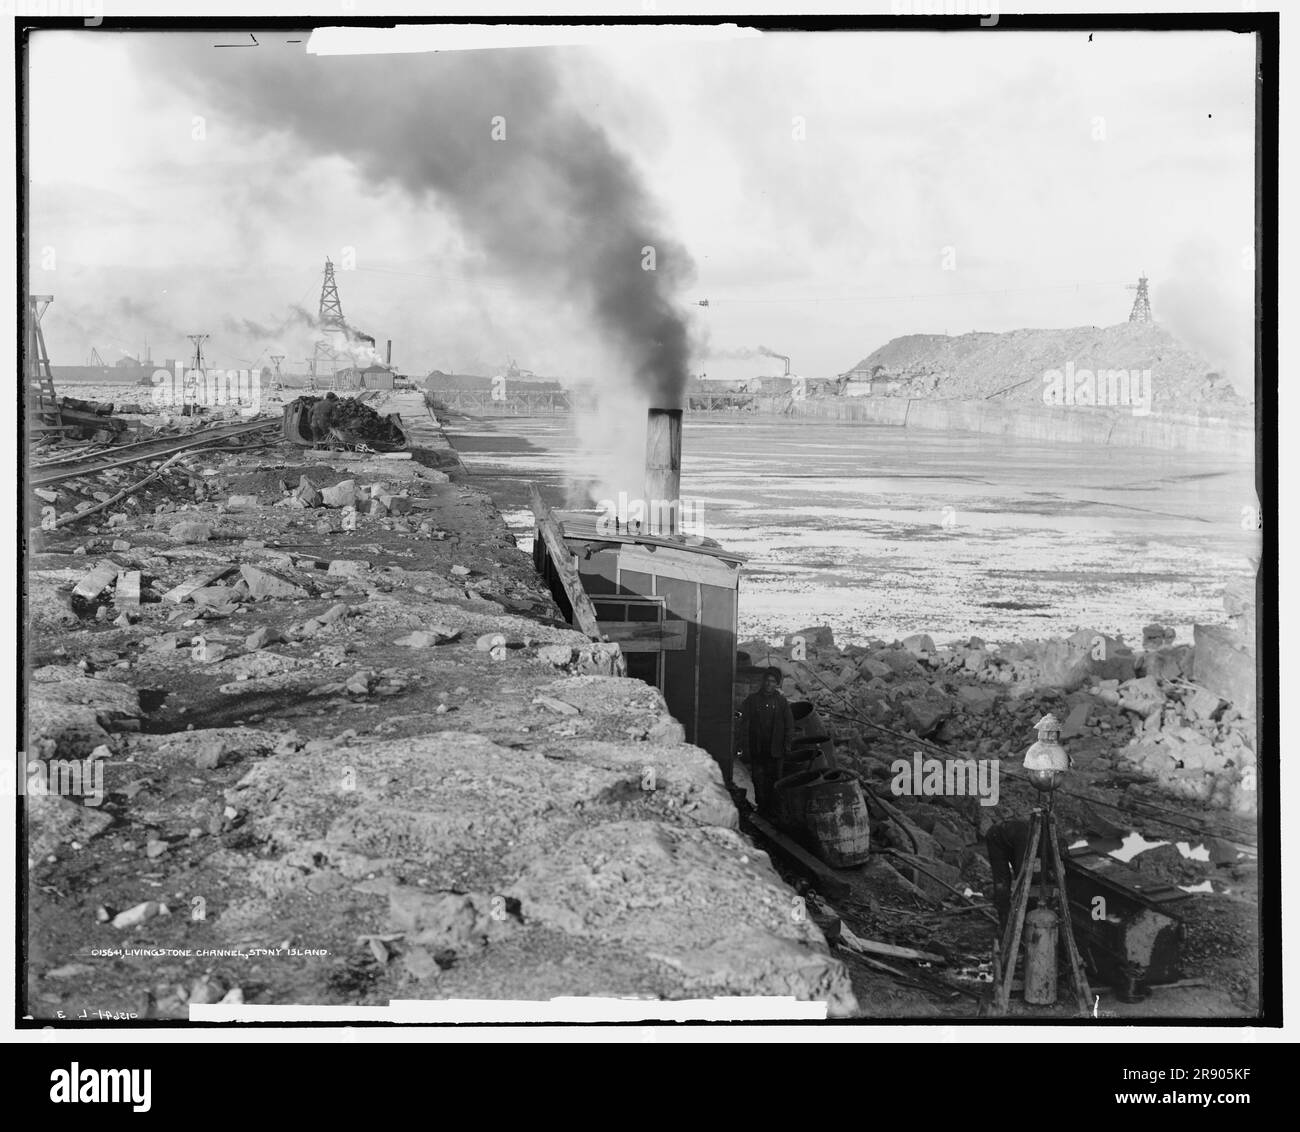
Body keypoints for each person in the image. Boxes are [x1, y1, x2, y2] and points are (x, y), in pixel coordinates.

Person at [740, 667, 794, 816]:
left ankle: (775, 812)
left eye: (773, 682)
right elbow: (740, 714)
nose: (769, 684)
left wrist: (787, 746)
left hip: (776, 751)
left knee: (775, 781)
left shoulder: (782, 702)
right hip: (758, 750)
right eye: (767, 680)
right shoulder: (753, 700)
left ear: (777, 684)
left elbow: (789, 726)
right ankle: (761, 810)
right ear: (763, 681)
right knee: (758, 780)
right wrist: (733, 716)